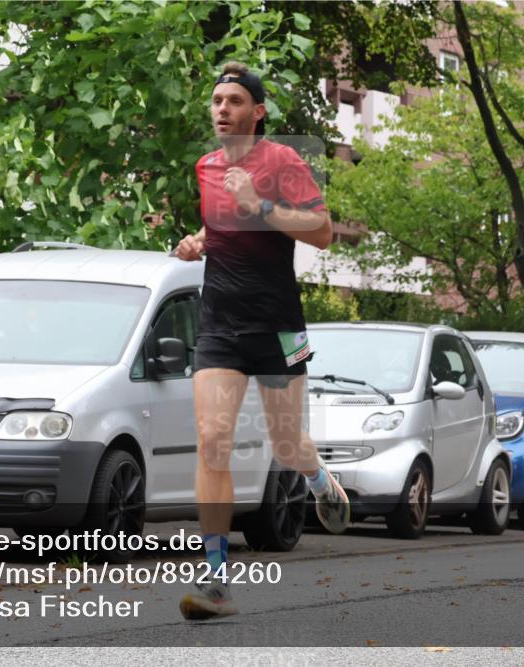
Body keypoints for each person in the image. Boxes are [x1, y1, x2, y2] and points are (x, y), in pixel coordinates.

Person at [174, 62, 350, 620]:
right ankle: (216, 579)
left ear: (258, 112)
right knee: (212, 440)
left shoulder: (283, 162)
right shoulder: (205, 167)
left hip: (281, 326)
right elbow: (224, 228)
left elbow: (323, 233)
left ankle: (320, 481)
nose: (221, 110)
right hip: (220, 325)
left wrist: (261, 206)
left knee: (289, 444)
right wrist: (197, 242)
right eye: (217, 101)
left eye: (233, 101)